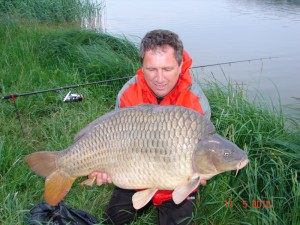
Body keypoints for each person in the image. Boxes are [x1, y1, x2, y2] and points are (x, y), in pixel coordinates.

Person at [89, 29, 211, 225]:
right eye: (152, 69)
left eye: (167, 69)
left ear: (180, 65)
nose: (159, 78)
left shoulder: (196, 103)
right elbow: (114, 143)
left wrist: (198, 175)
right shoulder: (128, 95)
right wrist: (103, 166)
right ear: (142, 66)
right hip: (135, 179)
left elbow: (204, 153)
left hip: (177, 187)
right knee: (111, 222)